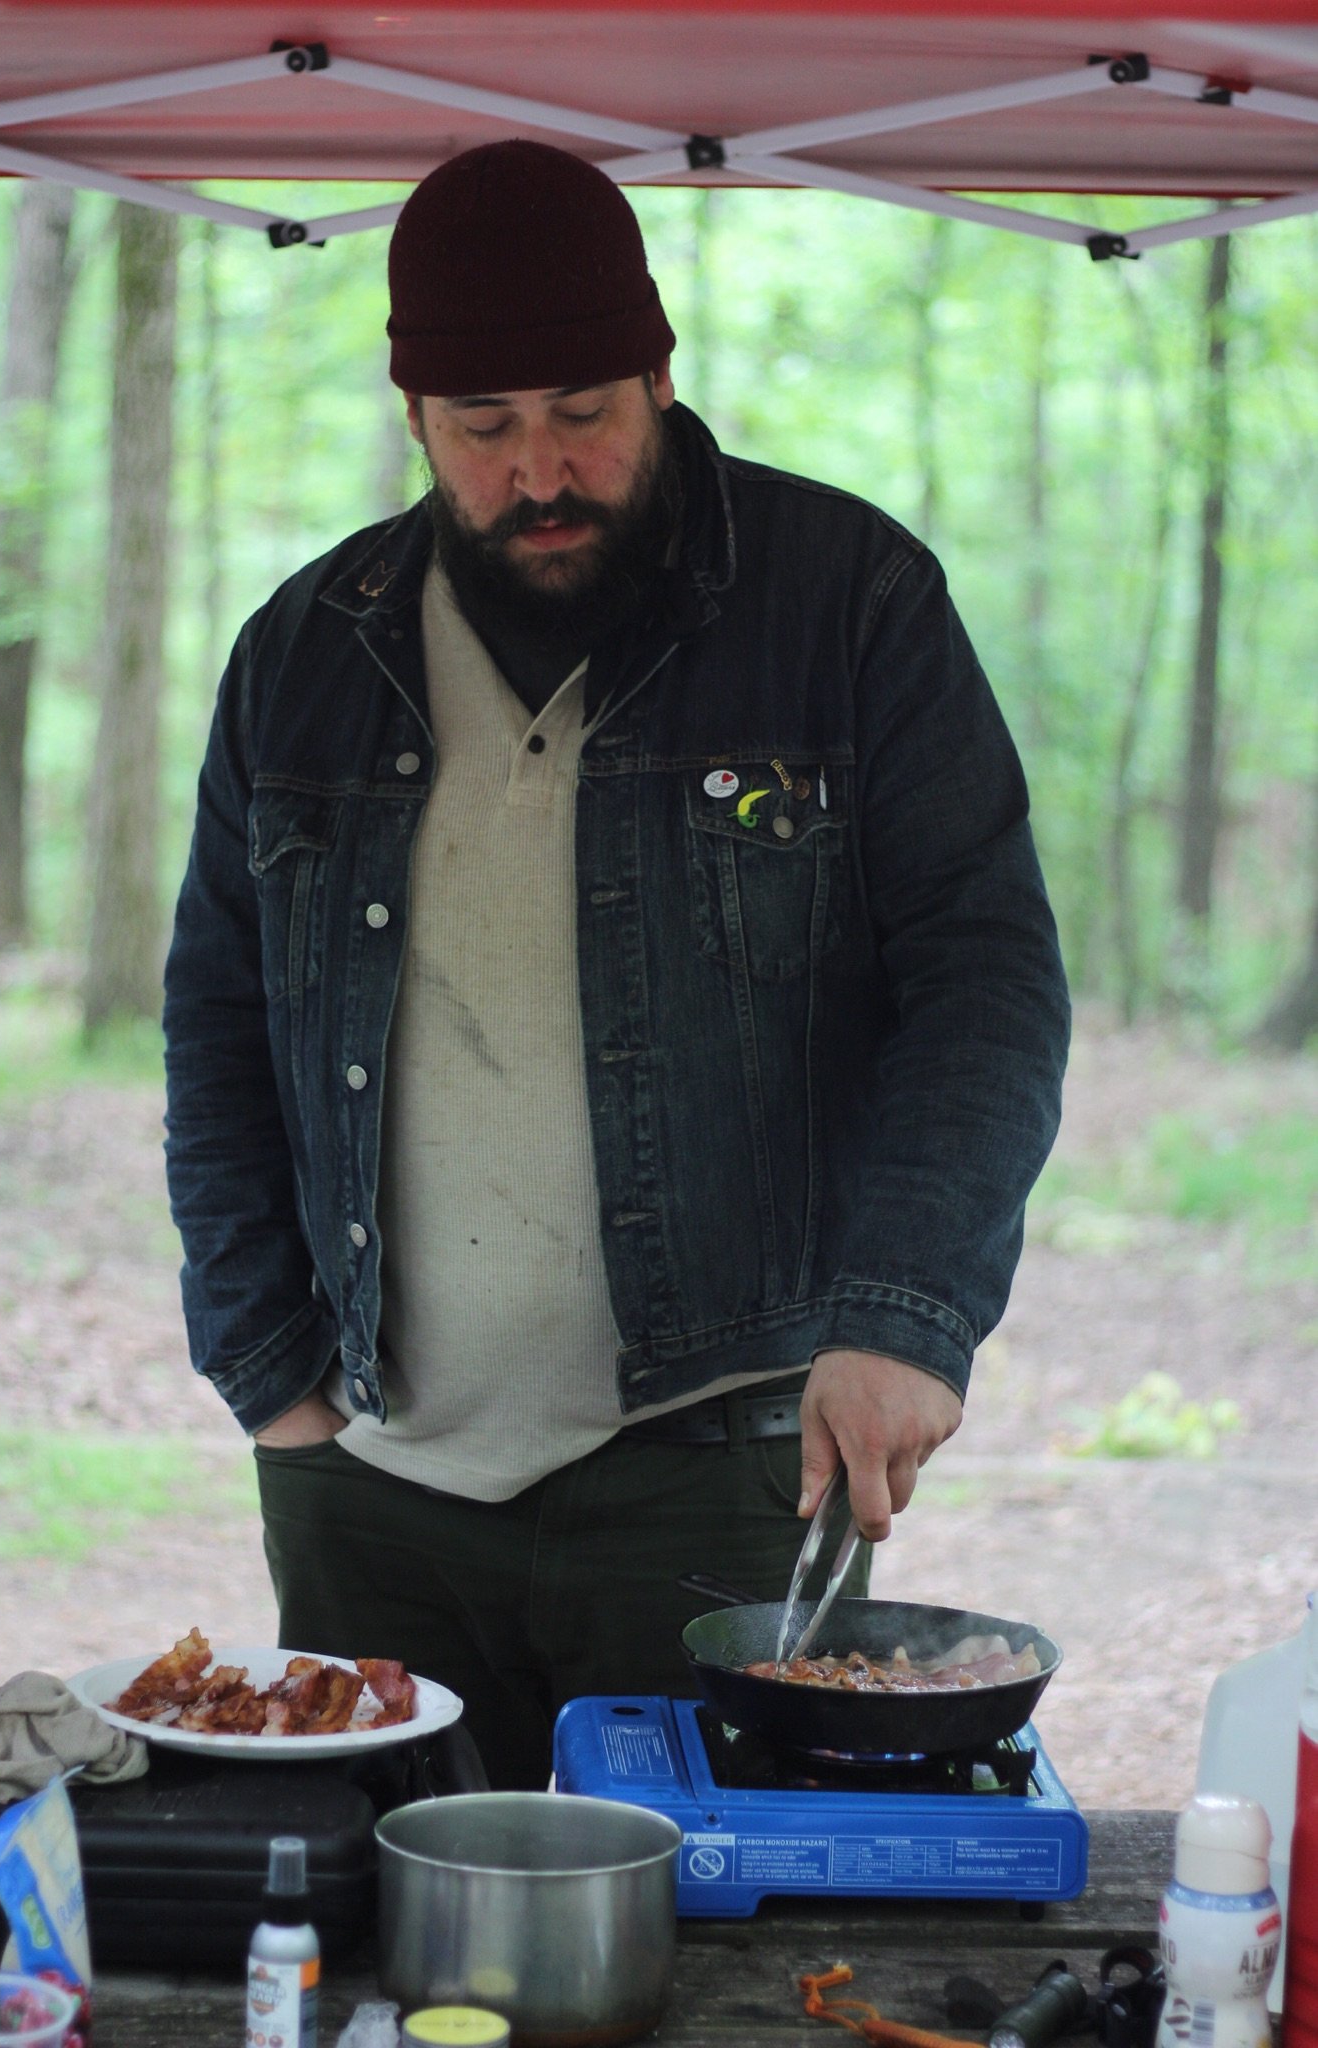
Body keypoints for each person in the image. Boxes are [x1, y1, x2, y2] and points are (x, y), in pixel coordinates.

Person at [163, 139, 1071, 1787]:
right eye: (484, 429)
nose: (542, 470)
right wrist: (265, 1373)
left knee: (705, 1950)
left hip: (723, 1460)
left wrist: (907, 1319)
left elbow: (986, 983)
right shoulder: (303, 650)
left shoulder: (847, 602)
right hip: (367, 1472)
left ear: (660, 371)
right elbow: (215, 1020)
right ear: (414, 418)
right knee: (387, 1949)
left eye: (584, 407)